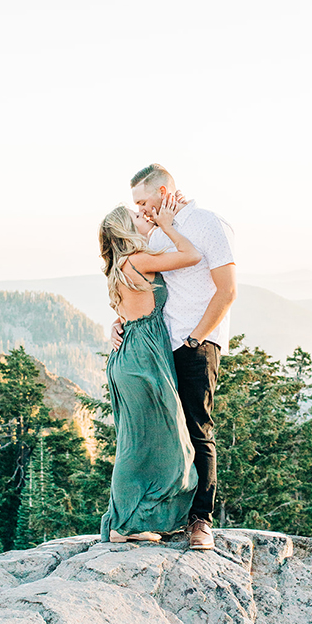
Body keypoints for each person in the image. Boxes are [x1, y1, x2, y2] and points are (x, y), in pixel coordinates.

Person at [113, 164, 236, 550]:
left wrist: (197, 339)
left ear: (164, 191)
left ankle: (201, 522)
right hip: (159, 349)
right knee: (168, 434)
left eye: (143, 201)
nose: (141, 210)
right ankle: (167, 517)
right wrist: (119, 322)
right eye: (137, 205)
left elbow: (227, 289)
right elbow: (140, 285)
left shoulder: (205, 223)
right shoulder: (156, 234)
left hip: (194, 344)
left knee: (198, 430)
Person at [99, 196, 201, 544]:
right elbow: (192, 256)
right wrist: (169, 225)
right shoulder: (140, 259)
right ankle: (121, 525)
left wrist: (116, 322)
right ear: (126, 230)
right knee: (153, 444)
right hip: (142, 359)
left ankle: (135, 521)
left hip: (129, 356)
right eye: (136, 215)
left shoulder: (122, 264)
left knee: (141, 442)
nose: (144, 215)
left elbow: (129, 310)